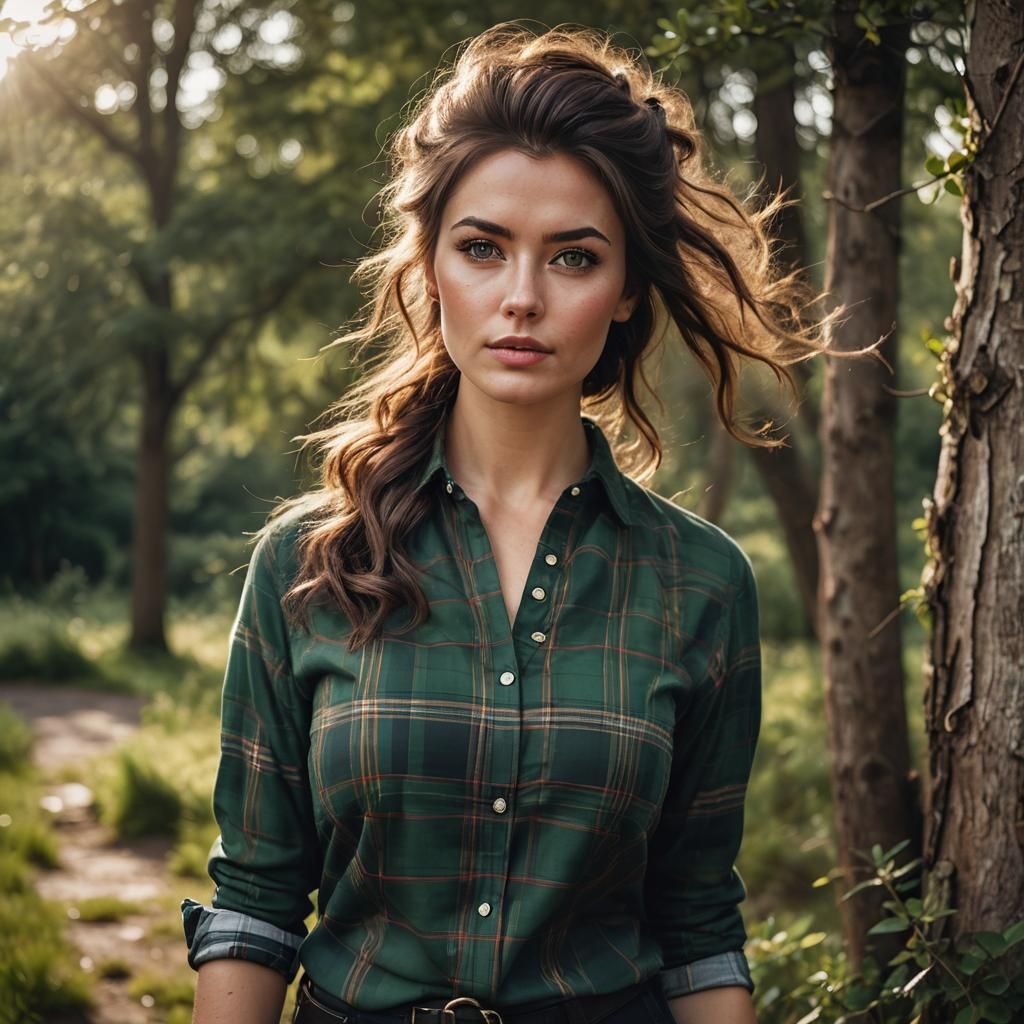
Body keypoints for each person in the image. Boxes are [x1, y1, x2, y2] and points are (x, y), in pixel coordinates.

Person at [182, 21, 844, 1024]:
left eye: (573, 258)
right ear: (430, 266)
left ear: (624, 290)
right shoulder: (304, 565)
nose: (521, 298)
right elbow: (258, 903)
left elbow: (698, 923)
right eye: (482, 249)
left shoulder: (701, 581)